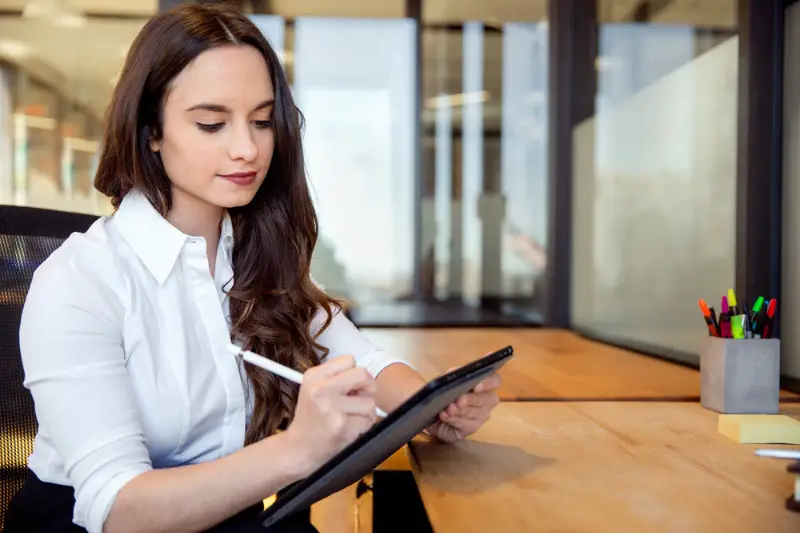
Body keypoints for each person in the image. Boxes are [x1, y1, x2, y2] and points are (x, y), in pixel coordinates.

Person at [3, 4, 502, 533]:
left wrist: (435, 411)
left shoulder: (257, 255)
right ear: (150, 131)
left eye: (262, 121)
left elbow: (367, 366)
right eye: (212, 124)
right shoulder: (79, 280)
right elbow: (117, 508)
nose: (247, 149)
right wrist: (296, 450)